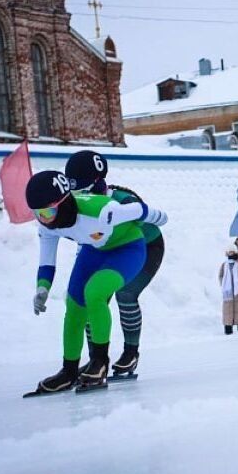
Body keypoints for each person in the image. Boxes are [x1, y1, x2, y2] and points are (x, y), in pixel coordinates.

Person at [25, 170, 167, 394]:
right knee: (73, 306)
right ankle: (68, 371)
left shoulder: (102, 211)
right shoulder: (45, 224)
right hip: (94, 250)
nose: (43, 219)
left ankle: (100, 362)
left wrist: (162, 217)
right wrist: (42, 287)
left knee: (95, 292)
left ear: (63, 203)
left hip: (127, 248)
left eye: (47, 211)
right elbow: (47, 261)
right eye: (37, 213)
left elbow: (140, 210)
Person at [65, 150, 165, 376]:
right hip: (107, 249)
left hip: (145, 247)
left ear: (98, 183)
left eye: (83, 190)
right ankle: (96, 360)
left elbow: (152, 218)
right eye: (75, 192)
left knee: (126, 295)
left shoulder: (121, 199)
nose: (80, 198)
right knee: (93, 297)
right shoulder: (79, 200)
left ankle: (131, 352)